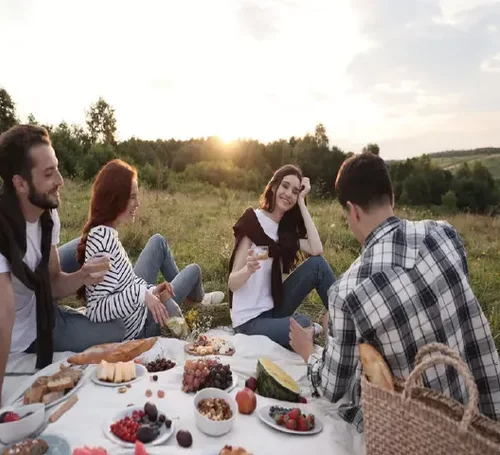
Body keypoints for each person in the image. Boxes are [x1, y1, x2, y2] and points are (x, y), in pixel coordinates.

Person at [290, 152, 500, 432]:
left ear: (353, 211)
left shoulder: (348, 291)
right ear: (392, 196)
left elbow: (331, 389)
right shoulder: (445, 233)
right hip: (485, 418)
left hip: (423, 437)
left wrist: (308, 351)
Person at [0, 125, 124, 414]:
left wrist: (82, 276)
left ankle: (132, 287)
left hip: (39, 297)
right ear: (20, 184)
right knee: (122, 328)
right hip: (29, 334)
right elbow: (3, 317)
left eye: (58, 170)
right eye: (48, 174)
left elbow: (53, 282)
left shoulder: (47, 212)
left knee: (93, 243)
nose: (60, 181)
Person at [73, 159, 225, 339]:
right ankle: (198, 300)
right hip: (140, 326)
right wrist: (143, 294)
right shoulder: (102, 243)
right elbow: (97, 310)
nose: (138, 203)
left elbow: (125, 285)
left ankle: (186, 298)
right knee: (194, 271)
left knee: (158, 241)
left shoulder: (106, 233)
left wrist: (152, 291)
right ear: (115, 199)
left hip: (139, 304)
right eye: (132, 197)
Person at [228, 164, 337, 349]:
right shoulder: (252, 223)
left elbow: (316, 249)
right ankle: (319, 328)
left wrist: (302, 202)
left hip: (273, 309)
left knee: (318, 265)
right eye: (285, 186)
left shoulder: (285, 233)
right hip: (249, 321)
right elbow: (232, 282)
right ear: (274, 185)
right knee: (301, 323)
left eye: (295, 192)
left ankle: (344, 320)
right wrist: (247, 270)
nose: (288, 194)